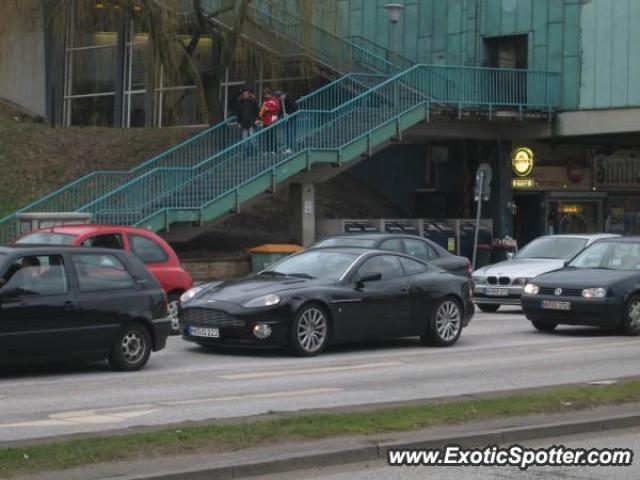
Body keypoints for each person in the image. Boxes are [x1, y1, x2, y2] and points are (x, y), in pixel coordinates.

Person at [259, 88, 281, 153]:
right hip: (265, 121)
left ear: (269, 94)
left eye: (266, 94)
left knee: (272, 136)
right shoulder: (265, 101)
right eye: (264, 95)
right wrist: (261, 114)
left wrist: (268, 109)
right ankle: (268, 150)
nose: (265, 96)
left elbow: (277, 108)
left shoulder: (274, 100)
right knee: (267, 136)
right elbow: (262, 110)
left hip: (272, 120)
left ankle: (274, 150)